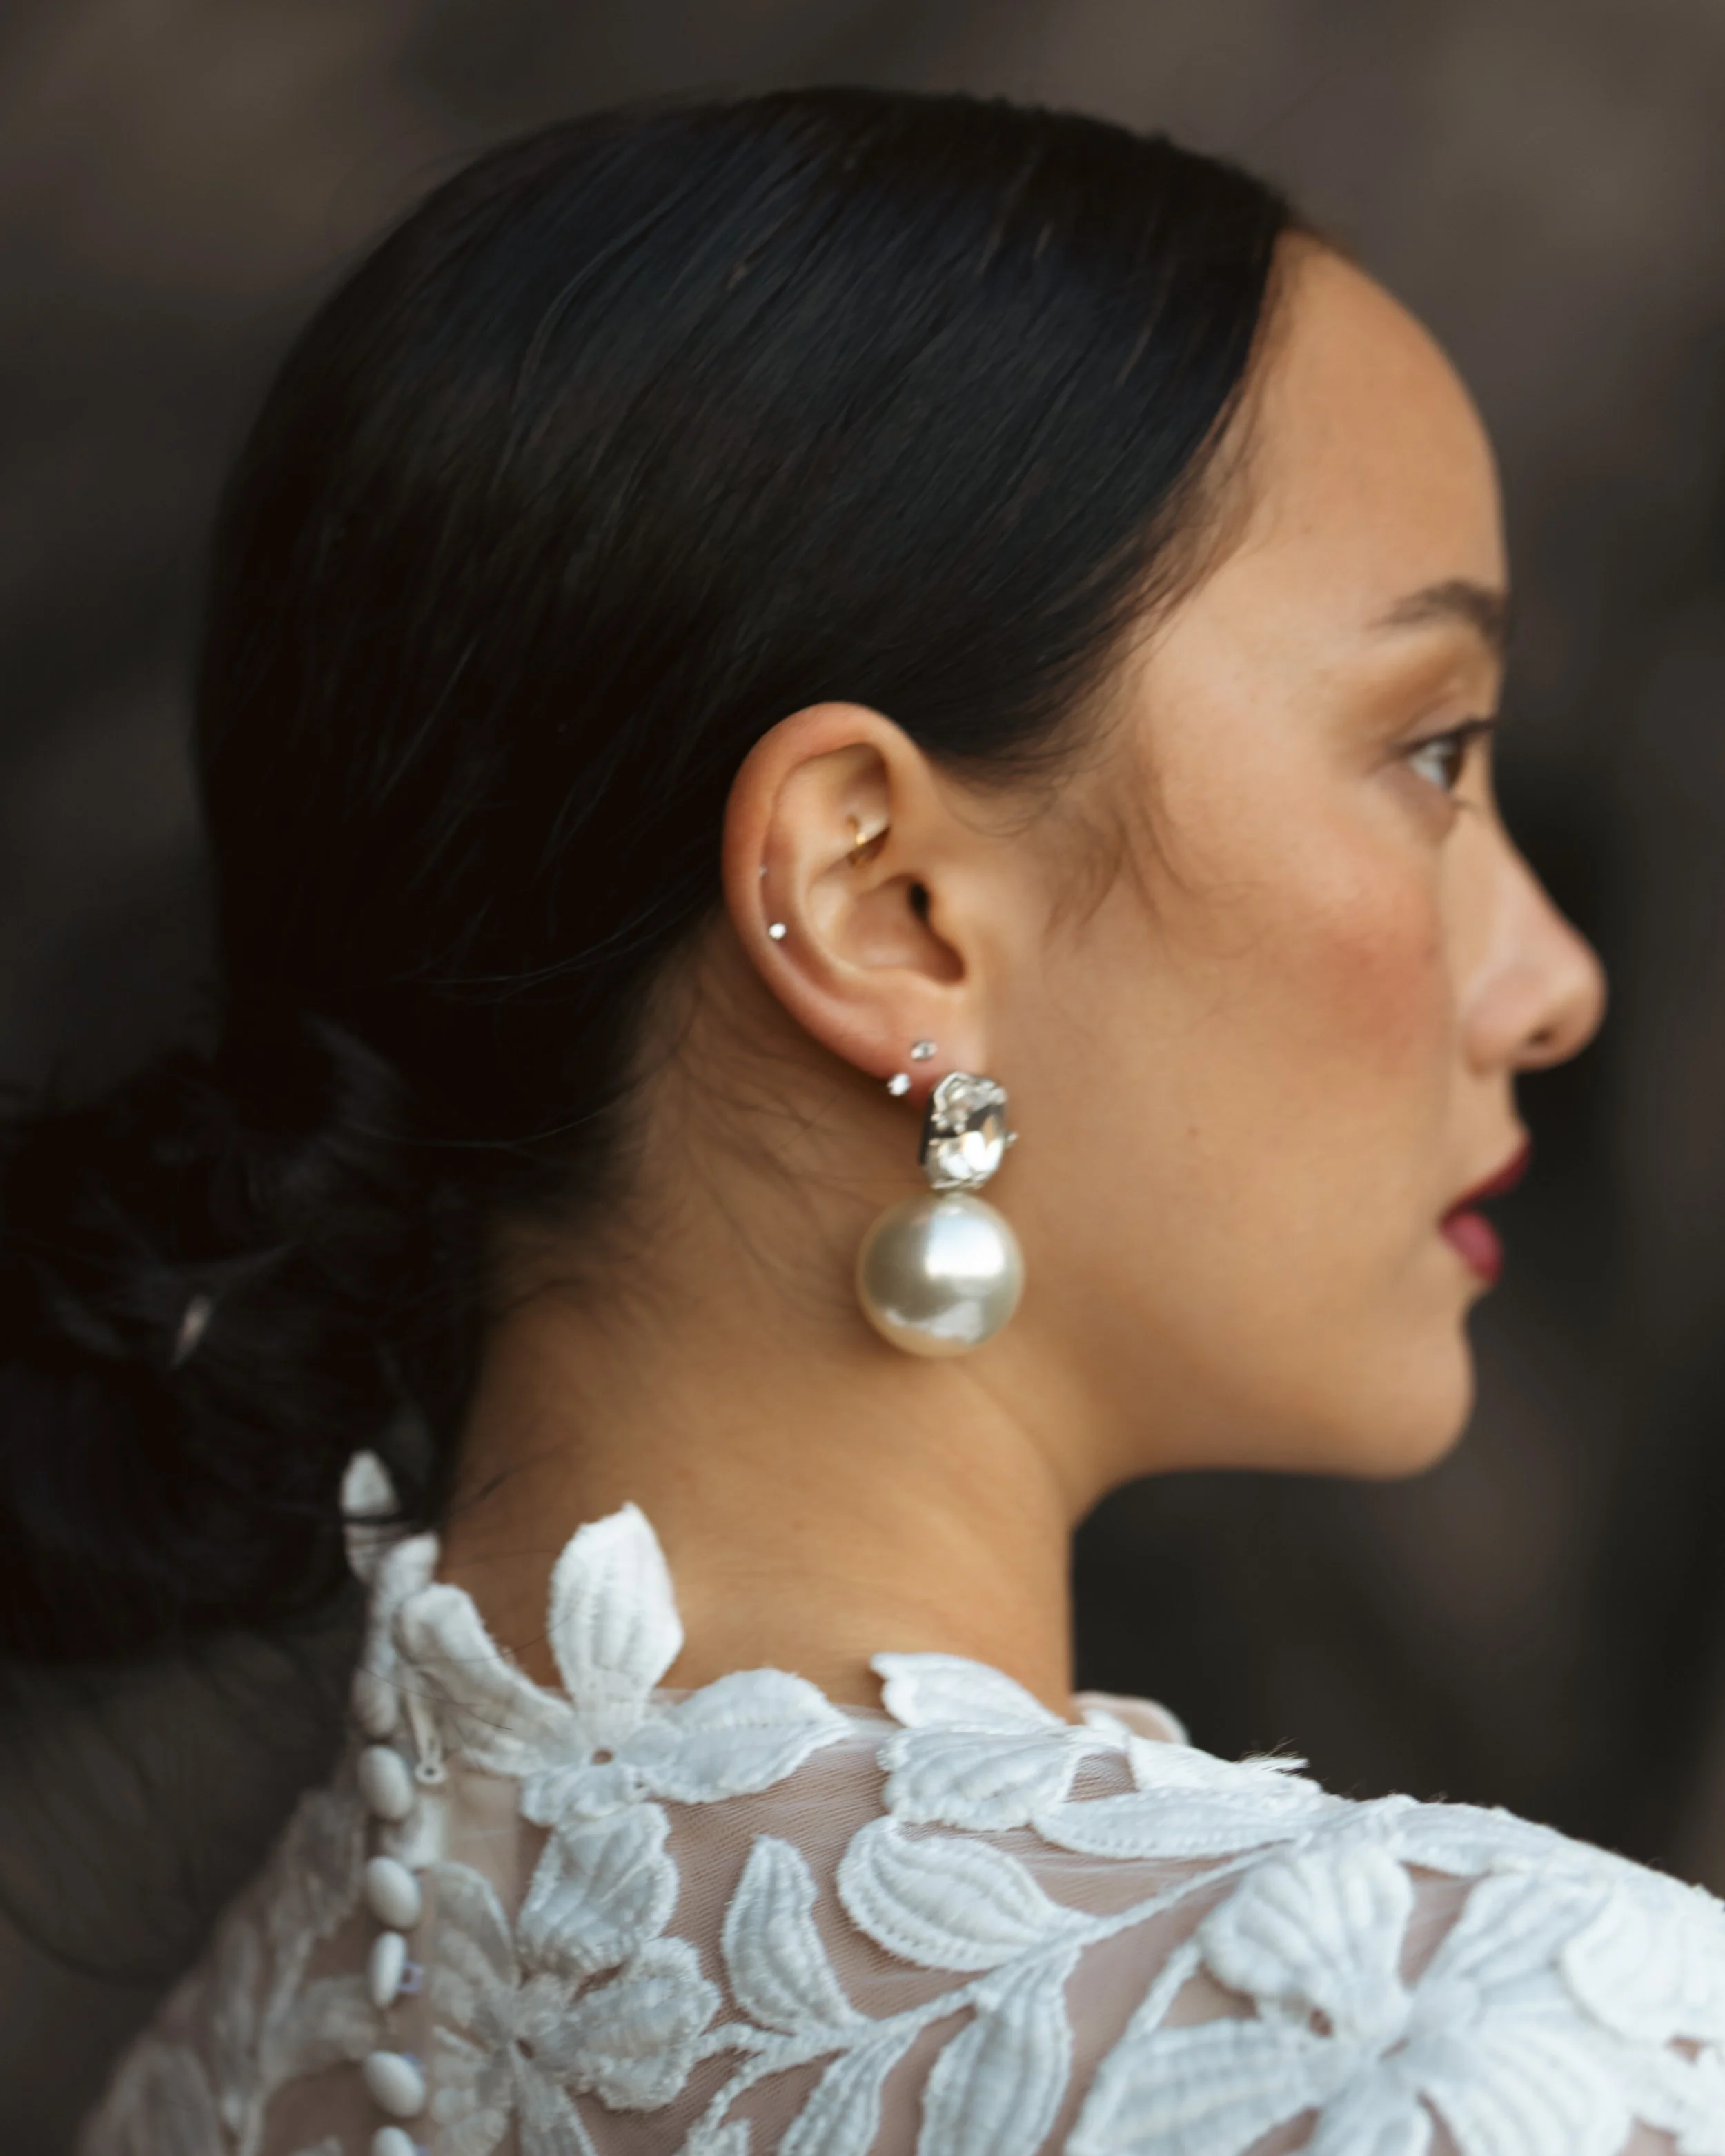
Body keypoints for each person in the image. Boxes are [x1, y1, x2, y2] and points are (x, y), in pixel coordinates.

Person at [3, 83, 1718, 2155]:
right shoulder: (1488, 2038)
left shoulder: (230, 2073)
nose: (1548, 976)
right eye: (1429, 750)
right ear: (879, 903)